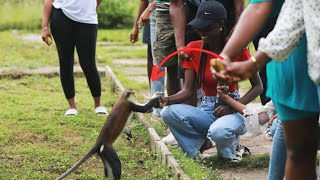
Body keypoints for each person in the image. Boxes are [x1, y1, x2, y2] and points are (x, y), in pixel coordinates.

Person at [215, 0, 320, 178]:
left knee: (298, 154)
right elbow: (293, 12)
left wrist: (253, 61)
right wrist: (241, 59)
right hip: (292, 55)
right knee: (299, 153)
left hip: (288, 52)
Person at [156, 1, 263, 161]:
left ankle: (231, 146)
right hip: (205, 110)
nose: (201, 32)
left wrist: (233, 107)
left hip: (231, 110)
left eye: (206, 27)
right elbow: (188, 91)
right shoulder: (193, 48)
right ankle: (198, 149)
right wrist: (166, 99)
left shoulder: (237, 49)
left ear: (220, 24)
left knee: (220, 136)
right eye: (199, 27)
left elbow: (258, 87)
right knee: (168, 113)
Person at [41, 0, 107, 116]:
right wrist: (45, 27)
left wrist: (89, 8)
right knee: (65, 61)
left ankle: (98, 105)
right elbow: (49, 1)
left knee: (88, 63)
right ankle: (72, 107)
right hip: (61, 17)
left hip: (88, 19)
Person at [132, 1, 165, 121]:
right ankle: (157, 108)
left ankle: (173, 107)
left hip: (175, 11)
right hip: (156, 14)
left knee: (175, 65)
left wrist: (152, 6)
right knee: (157, 63)